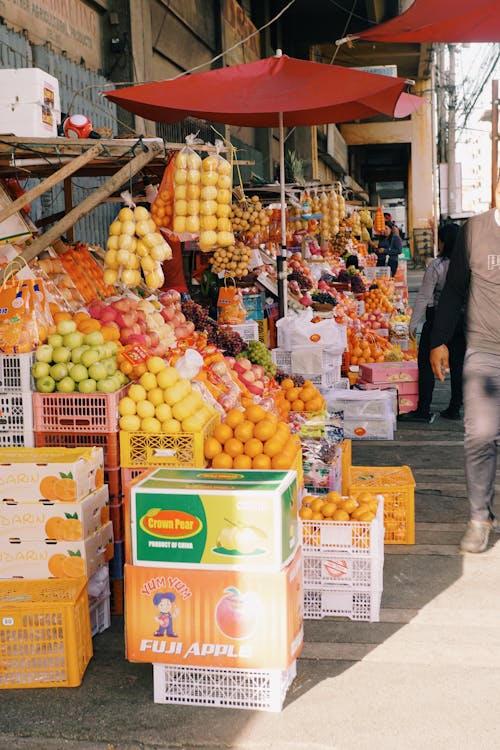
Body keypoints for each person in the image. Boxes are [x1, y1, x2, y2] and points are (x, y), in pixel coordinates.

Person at [430, 177, 500, 553]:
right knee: (480, 435)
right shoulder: (475, 230)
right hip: (486, 350)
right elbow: (455, 288)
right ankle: (479, 518)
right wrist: (439, 339)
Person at [399, 223, 465, 423]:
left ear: (443, 242)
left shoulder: (436, 266)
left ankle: (423, 410)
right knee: (458, 364)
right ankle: (455, 408)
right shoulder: (470, 265)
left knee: (426, 363)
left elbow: (423, 297)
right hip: (461, 319)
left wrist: (413, 324)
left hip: (437, 319)